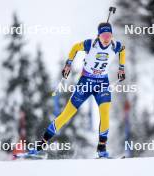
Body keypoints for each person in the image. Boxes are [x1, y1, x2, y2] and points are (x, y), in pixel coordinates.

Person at [34, 22, 125, 158]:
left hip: (102, 83)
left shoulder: (115, 46)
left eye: (109, 35)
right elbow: (75, 47)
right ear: (99, 36)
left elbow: (122, 50)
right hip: (86, 82)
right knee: (67, 114)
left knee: (105, 113)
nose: (106, 38)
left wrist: (121, 67)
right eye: (103, 35)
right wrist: (68, 64)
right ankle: (40, 145)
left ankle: (101, 149)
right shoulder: (91, 44)